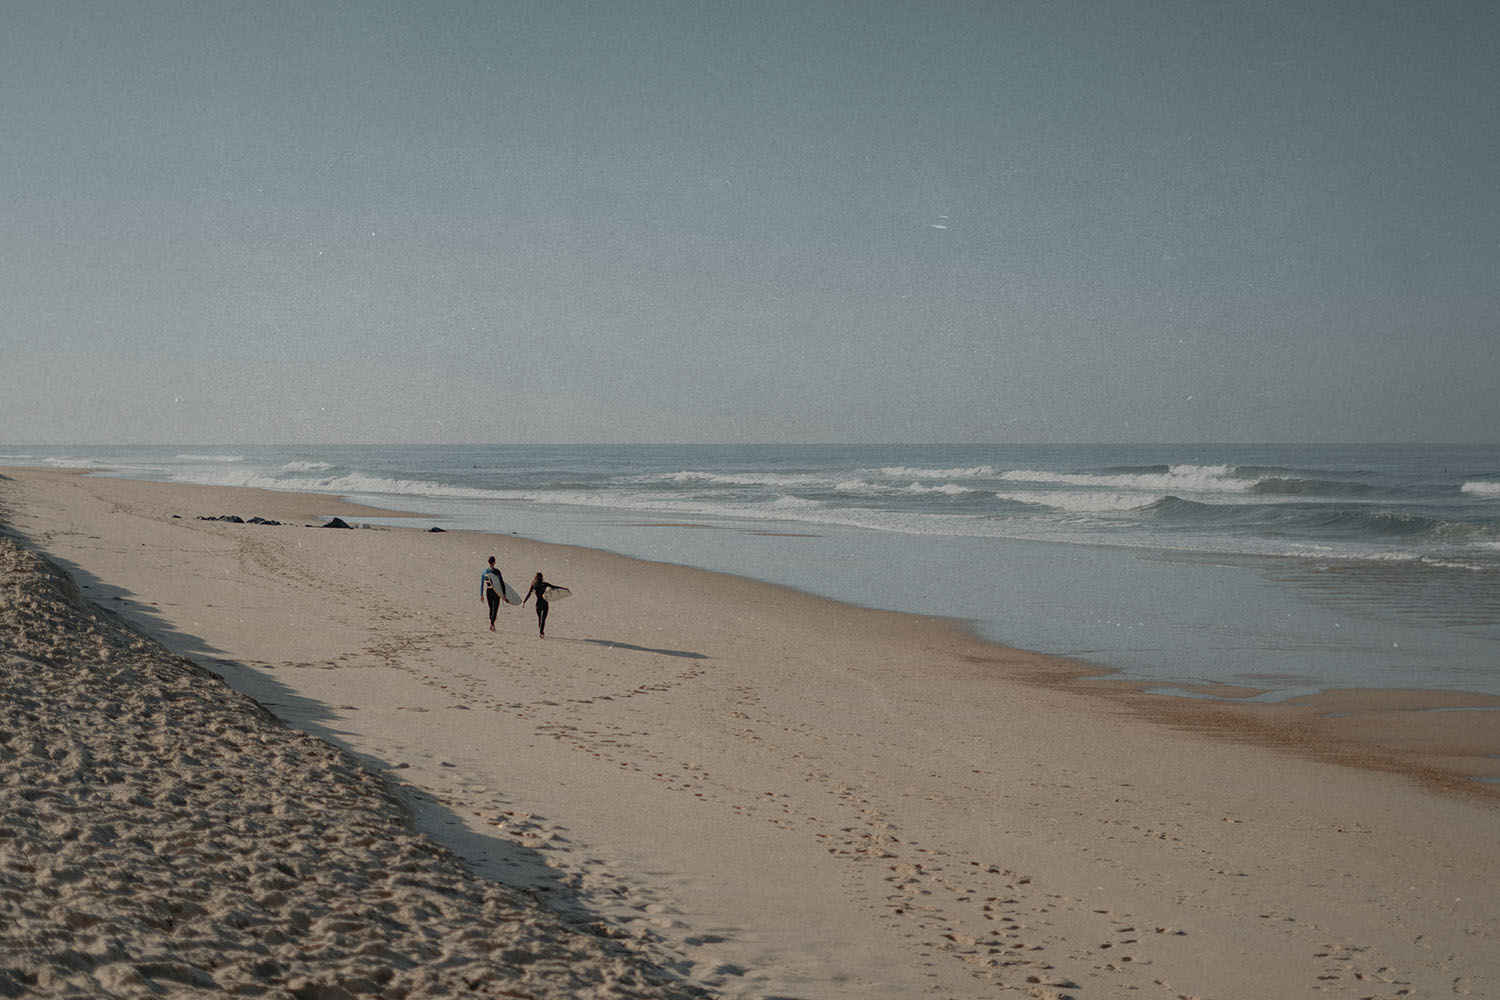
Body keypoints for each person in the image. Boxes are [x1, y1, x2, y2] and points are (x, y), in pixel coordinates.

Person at [522, 571, 561, 637]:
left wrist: (524, 601)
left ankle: (541, 632)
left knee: (540, 619)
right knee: (543, 619)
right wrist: (564, 589)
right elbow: (554, 587)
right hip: (545, 603)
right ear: (542, 578)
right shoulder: (544, 584)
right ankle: (541, 632)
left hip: (538, 603)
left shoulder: (534, 585)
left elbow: (529, 594)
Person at [481, 556, 509, 631]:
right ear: (494, 562)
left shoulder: (484, 571)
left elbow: (482, 583)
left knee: (491, 608)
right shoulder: (497, 571)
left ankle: (491, 623)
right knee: (495, 608)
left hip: (488, 591)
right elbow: (501, 582)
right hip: (496, 591)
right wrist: (504, 594)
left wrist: (481, 595)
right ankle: (492, 624)